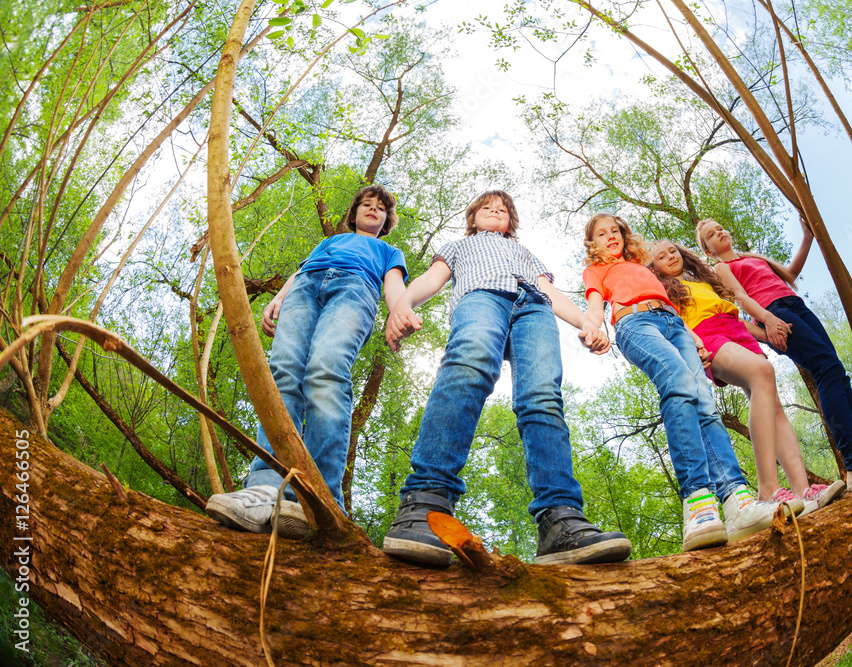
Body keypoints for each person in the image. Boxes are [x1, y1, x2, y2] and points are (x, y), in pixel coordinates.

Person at [381, 190, 632, 567]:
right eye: (487, 208)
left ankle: (560, 519)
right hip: (481, 297)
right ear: (473, 218)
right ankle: (426, 502)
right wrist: (401, 303)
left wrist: (587, 322)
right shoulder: (458, 247)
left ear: (511, 221)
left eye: (502, 209)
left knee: (543, 398)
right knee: (468, 369)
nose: (495, 211)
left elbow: (550, 291)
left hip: (535, 309)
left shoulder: (526, 252)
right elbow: (431, 279)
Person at [206, 184, 408, 538]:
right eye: (366, 204)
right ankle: (265, 488)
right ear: (354, 212)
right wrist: (278, 298)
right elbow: (301, 273)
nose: (372, 209)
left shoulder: (387, 250)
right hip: (305, 290)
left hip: (354, 290)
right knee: (284, 373)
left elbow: (393, 285)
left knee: (325, 372)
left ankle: (319, 498)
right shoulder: (328, 242)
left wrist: (398, 312)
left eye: (380, 207)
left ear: (386, 220)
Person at [582, 213, 792, 552]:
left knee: (705, 404)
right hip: (635, 324)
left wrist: (692, 335)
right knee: (678, 384)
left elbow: (672, 305)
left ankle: (737, 501)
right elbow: (594, 306)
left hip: (674, 324)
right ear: (594, 242)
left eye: (615, 231)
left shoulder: (641, 265)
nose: (611, 237)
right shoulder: (597, 270)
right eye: (602, 233)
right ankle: (697, 504)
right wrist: (593, 327)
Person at [696, 217, 852, 492]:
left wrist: (807, 238)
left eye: (720, 228)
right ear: (708, 251)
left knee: (837, 371)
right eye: (711, 234)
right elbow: (741, 298)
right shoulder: (722, 268)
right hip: (775, 315)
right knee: (825, 371)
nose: (720, 232)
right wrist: (768, 321)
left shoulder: (752, 259)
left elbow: (790, 275)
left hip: (797, 307)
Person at [649, 239, 846, 514]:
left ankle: (803, 491)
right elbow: (671, 325)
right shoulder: (662, 291)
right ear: (653, 267)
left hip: (736, 332)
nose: (670, 256)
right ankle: (768, 489)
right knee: (762, 371)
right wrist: (691, 349)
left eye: (673, 250)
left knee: (775, 407)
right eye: (661, 256)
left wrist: (768, 335)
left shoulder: (704, 283)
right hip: (708, 336)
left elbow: (736, 319)